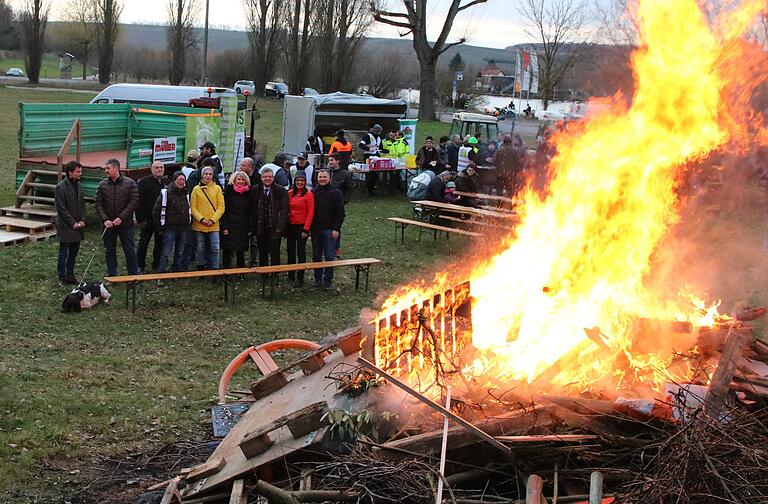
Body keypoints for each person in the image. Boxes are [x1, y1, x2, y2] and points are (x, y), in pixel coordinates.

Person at [95, 158, 139, 276]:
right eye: (105, 168)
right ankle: (112, 274)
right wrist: (105, 219)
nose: (106, 171)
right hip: (108, 225)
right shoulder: (102, 185)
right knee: (109, 250)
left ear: (116, 168)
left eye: (108, 168)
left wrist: (121, 217)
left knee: (129, 250)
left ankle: (133, 275)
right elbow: (98, 204)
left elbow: (134, 202)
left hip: (125, 224)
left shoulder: (130, 183)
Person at [311, 169, 345, 291]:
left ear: (330, 178)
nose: (322, 179)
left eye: (324, 177)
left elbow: (341, 213)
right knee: (316, 255)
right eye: (320, 177)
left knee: (329, 256)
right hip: (316, 229)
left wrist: (336, 229)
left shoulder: (336, 193)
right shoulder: (313, 192)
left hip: (330, 230)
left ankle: (328, 280)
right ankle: (318, 279)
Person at [54, 160, 86, 286]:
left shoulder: (79, 186)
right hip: (66, 226)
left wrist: (83, 219)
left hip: (78, 226)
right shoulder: (60, 187)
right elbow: (61, 208)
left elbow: (83, 205)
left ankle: (70, 274)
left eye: (80, 171)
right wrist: (72, 223)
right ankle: (62, 276)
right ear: (70, 172)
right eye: (78, 171)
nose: (80, 174)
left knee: (74, 251)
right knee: (64, 252)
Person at [153, 171, 191, 274]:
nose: (181, 182)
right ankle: (161, 272)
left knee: (179, 251)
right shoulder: (166, 193)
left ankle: (176, 270)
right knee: (166, 251)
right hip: (170, 228)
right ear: (174, 181)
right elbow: (156, 211)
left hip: (183, 228)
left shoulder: (186, 193)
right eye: (179, 180)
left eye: (183, 180)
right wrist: (160, 227)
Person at [136, 161, 169, 273]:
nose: (159, 169)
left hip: (161, 220)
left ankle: (156, 265)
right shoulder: (144, 182)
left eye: (161, 167)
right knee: (143, 243)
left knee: (160, 243)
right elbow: (139, 202)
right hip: (147, 219)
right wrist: (140, 219)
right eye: (157, 167)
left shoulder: (167, 182)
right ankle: (140, 265)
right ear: (152, 169)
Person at [252, 167, 288, 267]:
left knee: (275, 253)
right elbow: (253, 209)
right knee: (262, 253)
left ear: (273, 178)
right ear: (261, 178)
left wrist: (280, 227)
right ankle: (264, 275)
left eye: (269, 177)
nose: (267, 179)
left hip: (275, 227)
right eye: (265, 177)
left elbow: (284, 210)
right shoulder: (255, 189)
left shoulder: (280, 190)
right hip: (261, 226)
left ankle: (274, 275)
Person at [190, 166, 225, 270]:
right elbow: (193, 207)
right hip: (199, 224)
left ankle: (215, 268)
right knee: (201, 247)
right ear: (202, 175)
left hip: (213, 225)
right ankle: (201, 266)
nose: (208, 176)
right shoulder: (196, 189)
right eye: (206, 174)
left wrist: (213, 220)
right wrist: (201, 219)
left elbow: (221, 207)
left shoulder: (217, 189)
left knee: (215, 248)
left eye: (210, 174)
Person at [286, 171, 315, 287]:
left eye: (302, 180)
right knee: (290, 250)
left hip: (302, 226)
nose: (299, 182)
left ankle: (300, 276)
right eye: (298, 180)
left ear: (305, 181)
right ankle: (291, 273)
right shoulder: (290, 193)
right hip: (291, 225)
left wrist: (306, 229)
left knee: (301, 251)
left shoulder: (308, 194)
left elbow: (311, 212)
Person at [221, 171, 253, 269]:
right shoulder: (228, 191)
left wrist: (250, 228)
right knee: (227, 249)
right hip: (230, 225)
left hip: (243, 225)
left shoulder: (249, 193)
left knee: (241, 251)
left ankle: (241, 271)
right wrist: (224, 226)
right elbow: (224, 210)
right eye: (239, 179)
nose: (241, 181)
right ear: (234, 180)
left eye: (243, 179)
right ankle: (226, 271)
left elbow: (251, 211)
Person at [360, 124, 385, 195]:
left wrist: (384, 150)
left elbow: (380, 148)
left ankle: (372, 189)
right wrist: (369, 149)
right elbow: (361, 145)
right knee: (369, 174)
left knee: (375, 174)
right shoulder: (367, 136)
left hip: (376, 157)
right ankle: (368, 190)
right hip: (368, 157)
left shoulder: (379, 138)